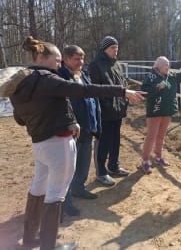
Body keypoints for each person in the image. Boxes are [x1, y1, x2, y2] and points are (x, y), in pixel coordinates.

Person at [7, 36, 145, 250]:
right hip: (59, 143)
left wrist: (67, 120)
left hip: (40, 143)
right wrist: (122, 91)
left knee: (38, 187)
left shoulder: (21, 82)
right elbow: (84, 91)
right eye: (57, 60)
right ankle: (49, 245)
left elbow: (19, 119)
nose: (59, 65)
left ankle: (30, 238)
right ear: (42, 57)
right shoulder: (48, 80)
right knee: (55, 194)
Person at [140, 56, 181, 174]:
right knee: (151, 136)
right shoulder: (151, 77)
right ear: (158, 67)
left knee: (161, 136)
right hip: (155, 112)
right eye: (166, 65)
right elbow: (144, 92)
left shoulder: (171, 76)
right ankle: (145, 161)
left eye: (168, 65)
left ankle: (158, 157)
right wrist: (157, 88)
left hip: (167, 111)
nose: (168, 67)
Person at [58, 45, 101, 217]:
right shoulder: (60, 77)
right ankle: (65, 200)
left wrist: (95, 122)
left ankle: (79, 188)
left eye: (82, 58)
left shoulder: (83, 74)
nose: (81, 62)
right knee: (68, 167)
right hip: (71, 129)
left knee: (84, 161)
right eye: (77, 59)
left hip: (87, 126)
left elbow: (92, 98)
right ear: (66, 59)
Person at [89, 36, 132, 186]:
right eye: (112, 48)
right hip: (104, 111)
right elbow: (94, 89)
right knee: (103, 141)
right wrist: (102, 106)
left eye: (117, 48)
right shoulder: (95, 65)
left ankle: (114, 165)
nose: (116, 51)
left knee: (115, 139)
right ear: (104, 49)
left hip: (117, 109)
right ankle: (101, 171)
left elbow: (122, 83)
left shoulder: (117, 65)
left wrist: (125, 100)